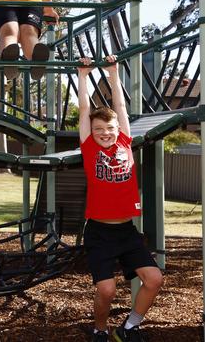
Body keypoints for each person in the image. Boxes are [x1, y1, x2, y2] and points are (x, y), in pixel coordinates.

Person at [77, 55, 163, 342]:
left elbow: (121, 108)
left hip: (126, 231)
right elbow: (85, 110)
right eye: (99, 129)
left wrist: (114, 73)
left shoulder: (126, 141)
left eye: (109, 129)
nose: (104, 133)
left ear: (119, 131)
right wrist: (83, 76)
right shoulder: (89, 148)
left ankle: (128, 328)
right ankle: (100, 330)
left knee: (154, 279)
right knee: (107, 290)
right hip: (100, 232)